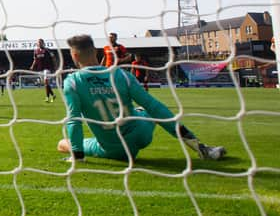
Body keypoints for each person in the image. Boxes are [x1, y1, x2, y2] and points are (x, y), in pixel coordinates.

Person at [58, 34, 226, 162]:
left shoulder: (72, 82)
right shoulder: (121, 75)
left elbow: (74, 121)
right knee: (148, 109)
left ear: (74, 56)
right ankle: (201, 148)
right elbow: (156, 107)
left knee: (62, 144)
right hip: (140, 134)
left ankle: (77, 154)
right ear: (96, 51)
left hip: (115, 149)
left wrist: (78, 156)